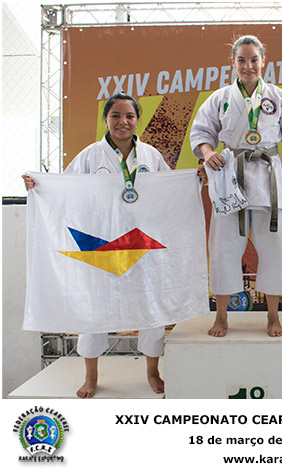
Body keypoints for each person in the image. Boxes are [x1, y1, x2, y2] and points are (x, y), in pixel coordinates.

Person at [23, 93, 171, 398]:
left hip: (139, 240)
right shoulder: (91, 155)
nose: (122, 122)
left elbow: (170, 189)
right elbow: (65, 188)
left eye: (129, 116)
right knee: (94, 308)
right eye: (115, 115)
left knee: (151, 307)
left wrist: (194, 180)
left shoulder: (150, 156)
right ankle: (91, 376)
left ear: (137, 120)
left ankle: (152, 372)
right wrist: (39, 186)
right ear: (105, 119)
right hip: (100, 242)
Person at [190, 35, 282, 338]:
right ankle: (221, 316)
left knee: (274, 249)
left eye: (254, 59)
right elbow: (202, 132)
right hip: (230, 178)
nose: (248, 66)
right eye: (242, 60)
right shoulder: (220, 98)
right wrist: (208, 153)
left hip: (268, 180)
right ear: (233, 63)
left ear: (263, 62)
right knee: (223, 248)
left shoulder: (279, 98)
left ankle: (273, 315)